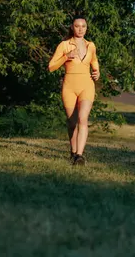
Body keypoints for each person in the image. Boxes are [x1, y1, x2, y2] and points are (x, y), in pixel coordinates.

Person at [48, 16, 100, 165]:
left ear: (86, 28)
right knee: (72, 123)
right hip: (69, 86)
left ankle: (79, 155)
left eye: (83, 26)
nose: (80, 29)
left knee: (83, 119)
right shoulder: (64, 45)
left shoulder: (91, 45)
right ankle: (73, 151)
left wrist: (97, 71)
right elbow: (51, 67)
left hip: (87, 85)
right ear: (72, 27)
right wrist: (66, 57)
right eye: (77, 26)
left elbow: (94, 61)